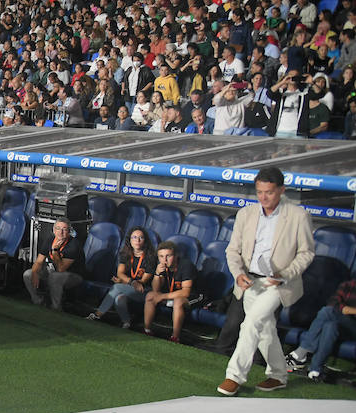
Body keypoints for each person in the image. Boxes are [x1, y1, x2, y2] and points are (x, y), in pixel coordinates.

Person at [219, 166, 316, 395]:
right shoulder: (246, 214)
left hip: (279, 284)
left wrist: (284, 275)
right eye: (260, 192)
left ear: (281, 190)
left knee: (251, 323)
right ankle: (278, 375)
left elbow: (307, 253)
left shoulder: (298, 216)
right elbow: (232, 251)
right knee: (266, 329)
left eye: (269, 192)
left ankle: (234, 376)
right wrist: (238, 274)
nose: (264, 197)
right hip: (250, 281)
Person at [285, 278, 356, 382]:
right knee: (330, 326)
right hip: (341, 323)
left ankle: (301, 352)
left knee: (327, 312)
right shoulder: (349, 285)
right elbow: (333, 302)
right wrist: (346, 310)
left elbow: (336, 308)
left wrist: (347, 310)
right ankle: (315, 370)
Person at [86, 227, 155, 328]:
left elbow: (143, 281)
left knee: (117, 287)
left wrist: (125, 282)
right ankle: (126, 323)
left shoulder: (150, 257)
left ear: (145, 241)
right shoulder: (125, 254)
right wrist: (128, 282)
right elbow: (120, 273)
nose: (137, 240)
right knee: (119, 298)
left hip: (144, 291)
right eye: (134, 237)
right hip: (129, 287)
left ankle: (97, 315)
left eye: (141, 237)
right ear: (130, 240)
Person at [23, 219, 84, 311]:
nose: (61, 232)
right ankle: (38, 301)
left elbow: (61, 269)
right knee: (28, 274)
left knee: (55, 276)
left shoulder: (73, 245)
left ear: (69, 231)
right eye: (58, 228)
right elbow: (39, 261)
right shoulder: (50, 239)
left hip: (73, 276)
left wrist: (55, 251)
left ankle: (56, 307)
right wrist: (35, 273)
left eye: (64, 229)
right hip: (52, 272)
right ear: (54, 230)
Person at [140, 240, 195, 342]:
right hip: (173, 294)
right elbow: (156, 290)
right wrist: (157, 274)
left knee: (178, 301)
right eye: (161, 256)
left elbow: (186, 292)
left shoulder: (186, 265)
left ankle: (175, 337)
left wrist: (162, 296)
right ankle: (147, 330)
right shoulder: (162, 266)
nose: (164, 260)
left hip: (195, 296)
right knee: (150, 295)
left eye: (168, 256)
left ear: (176, 255)